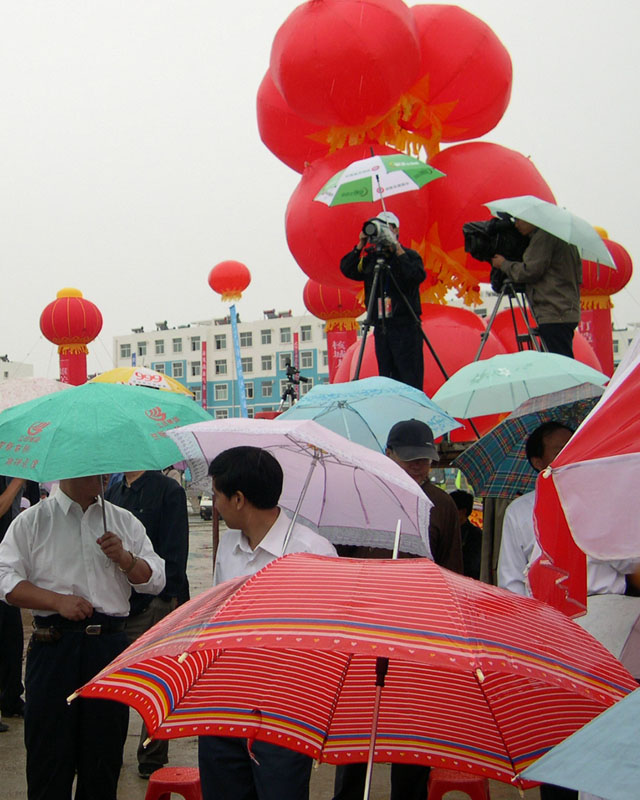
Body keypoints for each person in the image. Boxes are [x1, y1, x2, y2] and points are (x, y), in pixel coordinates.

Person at [0, 474, 166, 800]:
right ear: (70, 466)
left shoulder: (122, 520)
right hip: (53, 647)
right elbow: (5, 579)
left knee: (103, 763)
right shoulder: (32, 521)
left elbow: (156, 579)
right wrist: (56, 601)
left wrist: (126, 559)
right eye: (95, 467)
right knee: (49, 761)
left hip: (107, 650)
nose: (105, 475)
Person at [333, 419, 463, 800]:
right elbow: (339, 563)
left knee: (412, 739)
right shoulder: (363, 497)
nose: (418, 467)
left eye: (424, 459)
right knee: (357, 739)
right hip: (364, 632)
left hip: (418, 637)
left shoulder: (442, 506)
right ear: (388, 455)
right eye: (410, 459)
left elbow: (452, 573)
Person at [198, 446, 336, 800]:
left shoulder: (314, 553)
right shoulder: (228, 546)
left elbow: (329, 644)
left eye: (216, 496)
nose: (214, 504)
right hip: (224, 704)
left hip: (283, 712)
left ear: (239, 499)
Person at [106, 468, 190, 778]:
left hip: (156, 603)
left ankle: (152, 757)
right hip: (119, 604)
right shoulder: (114, 491)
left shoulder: (169, 490)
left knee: (158, 684)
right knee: (115, 685)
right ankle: (109, 751)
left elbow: (174, 552)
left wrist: (171, 601)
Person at [340, 211, 426, 389]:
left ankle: (412, 412)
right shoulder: (371, 259)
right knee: (387, 380)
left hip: (405, 326)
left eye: (387, 228)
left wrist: (396, 248)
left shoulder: (408, 256)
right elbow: (347, 268)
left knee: (410, 378)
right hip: (381, 327)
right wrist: (360, 244)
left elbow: (415, 276)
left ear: (396, 230)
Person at [498, 422, 574, 596]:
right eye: (559, 451)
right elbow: (511, 582)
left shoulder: (599, 500)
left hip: (604, 606)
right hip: (545, 611)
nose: (570, 455)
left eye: (573, 447)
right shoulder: (519, 512)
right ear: (538, 462)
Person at [492, 221, 582, 358]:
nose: (516, 225)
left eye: (518, 220)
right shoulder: (562, 237)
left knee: (556, 365)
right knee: (558, 361)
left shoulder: (545, 236)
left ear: (531, 219)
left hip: (554, 311)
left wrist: (504, 264)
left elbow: (529, 271)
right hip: (564, 310)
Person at [0, 476, 38, 726]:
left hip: (9, 563)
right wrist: (18, 481)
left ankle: (11, 698)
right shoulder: (14, 474)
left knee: (11, 637)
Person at [450, 489, 482, 580]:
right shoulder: (446, 529)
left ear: (463, 512)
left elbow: (473, 566)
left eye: (452, 508)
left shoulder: (475, 535)